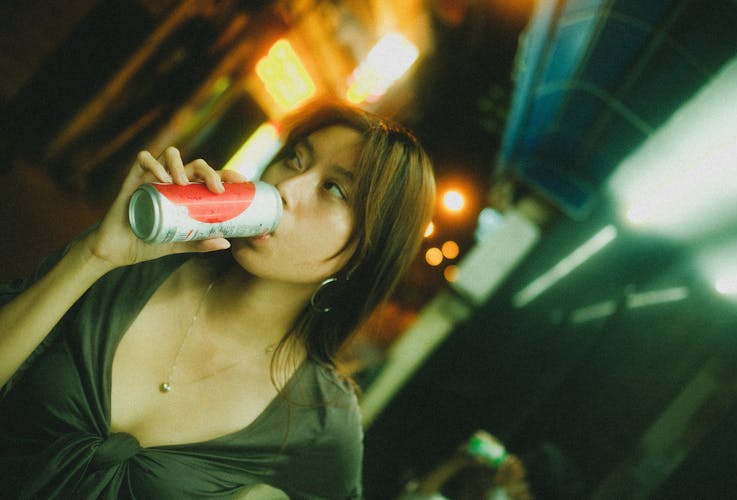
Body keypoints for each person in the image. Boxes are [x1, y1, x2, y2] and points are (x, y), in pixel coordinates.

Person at [0, 99, 435, 499]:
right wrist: (95, 255)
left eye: (335, 189)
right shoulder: (133, 265)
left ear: (367, 253)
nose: (288, 187)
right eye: (294, 159)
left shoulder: (321, 420)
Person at [398, 431, 585, 500]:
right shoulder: (495, 491)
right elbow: (418, 496)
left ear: (526, 493)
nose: (512, 460)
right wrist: (458, 462)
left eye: (522, 465)